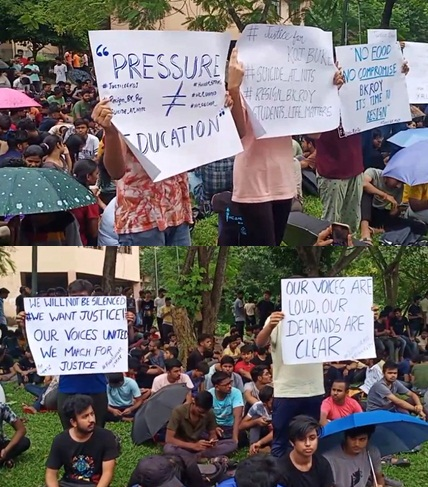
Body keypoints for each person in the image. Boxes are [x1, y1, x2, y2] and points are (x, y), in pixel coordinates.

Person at [256, 311, 325, 457]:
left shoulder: (323, 316)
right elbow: (260, 343)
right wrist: (270, 326)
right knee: (281, 437)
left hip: (313, 390)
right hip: (286, 391)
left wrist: (367, 317)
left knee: (310, 437)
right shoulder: (276, 318)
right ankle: (278, 476)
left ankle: (306, 473)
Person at [56, 280, 108, 430]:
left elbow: (122, 341)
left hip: (95, 384)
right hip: (68, 385)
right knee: (69, 430)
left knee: (97, 429)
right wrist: (27, 326)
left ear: (91, 297)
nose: (78, 302)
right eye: (74, 297)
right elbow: (40, 344)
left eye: (82, 297)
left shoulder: (103, 318)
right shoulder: (58, 320)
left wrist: (126, 324)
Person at [164, 391, 237, 487]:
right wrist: (193, 446)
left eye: (205, 413)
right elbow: (169, 439)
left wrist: (212, 441)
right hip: (182, 445)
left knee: (232, 443)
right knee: (168, 448)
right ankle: (194, 458)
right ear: (193, 403)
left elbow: (212, 433)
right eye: (200, 412)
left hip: (200, 446)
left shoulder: (209, 413)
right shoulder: (179, 411)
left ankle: (194, 458)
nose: (202, 415)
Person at [45, 395, 119, 487]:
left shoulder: (106, 437)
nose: (91, 420)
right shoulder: (60, 440)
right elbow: (50, 474)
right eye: (85, 417)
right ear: (73, 422)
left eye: (92, 414)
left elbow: (107, 473)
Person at [276, 415, 334, 487]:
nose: (308, 444)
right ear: (292, 442)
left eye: (312, 438)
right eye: (301, 439)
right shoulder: (280, 469)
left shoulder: (323, 464)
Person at [209, 371, 244, 444]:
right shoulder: (209, 394)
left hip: (231, 426)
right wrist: (214, 428)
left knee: (241, 436)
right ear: (217, 387)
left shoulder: (236, 392)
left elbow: (237, 416)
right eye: (226, 385)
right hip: (216, 425)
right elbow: (207, 415)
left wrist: (235, 438)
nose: (230, 386)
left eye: (230, 383)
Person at [239, 385, 274, 454]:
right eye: (272, 403)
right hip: (263, 432)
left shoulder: (280, 407)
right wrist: (256, 422)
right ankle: (254, 447)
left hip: (275, 433)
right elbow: (241, 426)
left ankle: (265, 448)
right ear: (264, 404)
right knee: (255, 419)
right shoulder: (257, 406)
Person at [0, 401, 30, 468]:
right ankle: (5, 460)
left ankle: (4, 457)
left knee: (24, 442)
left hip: (1, 445)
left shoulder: (1, 407)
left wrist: (6, 450)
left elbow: (21, 430)